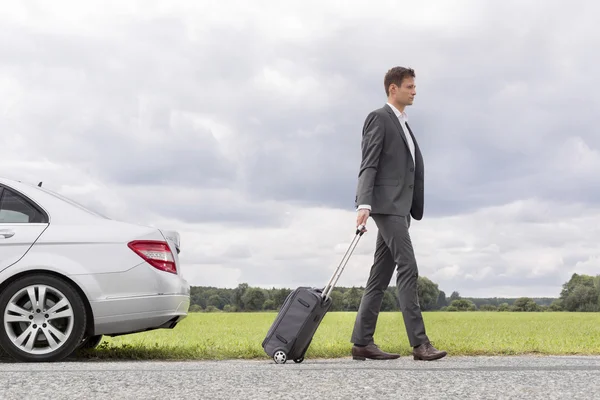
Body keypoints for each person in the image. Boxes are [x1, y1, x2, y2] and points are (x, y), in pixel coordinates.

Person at [350, 66, 447, 361]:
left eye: (414, 86)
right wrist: (364, 203)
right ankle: (420, 344)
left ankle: (362, 342)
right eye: (409, 86)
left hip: (400, 208)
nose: (414, 91)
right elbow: (369, 162)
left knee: (379, 277)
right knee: (409, 267)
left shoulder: (404, 122)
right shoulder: (379, 118)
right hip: (386, 206)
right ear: (393, 89)